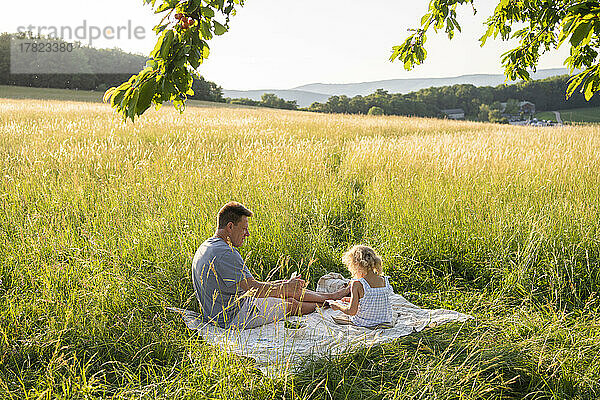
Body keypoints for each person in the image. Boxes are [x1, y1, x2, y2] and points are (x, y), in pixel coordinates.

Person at [191, 201, 349, 329]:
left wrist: (284, 285)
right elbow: (255, 290)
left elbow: (250, 287)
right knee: (290, 304)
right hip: (232, 317)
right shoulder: (226, 253)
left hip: (218, 311)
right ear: (230, 226)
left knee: (285, 288)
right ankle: (329, 303)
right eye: (244, 229)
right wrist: (286, 287)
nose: (247, 234)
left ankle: (332, 296)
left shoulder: (208, 245)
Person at [328, 245, 393, 328]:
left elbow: (351, 311)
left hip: (364, 323)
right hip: (384, 321)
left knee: (339, 314)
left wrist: (338, 306)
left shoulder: (358, 284)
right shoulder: (384, 280)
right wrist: (350, 300)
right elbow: (372, 300)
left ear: (356, 265)